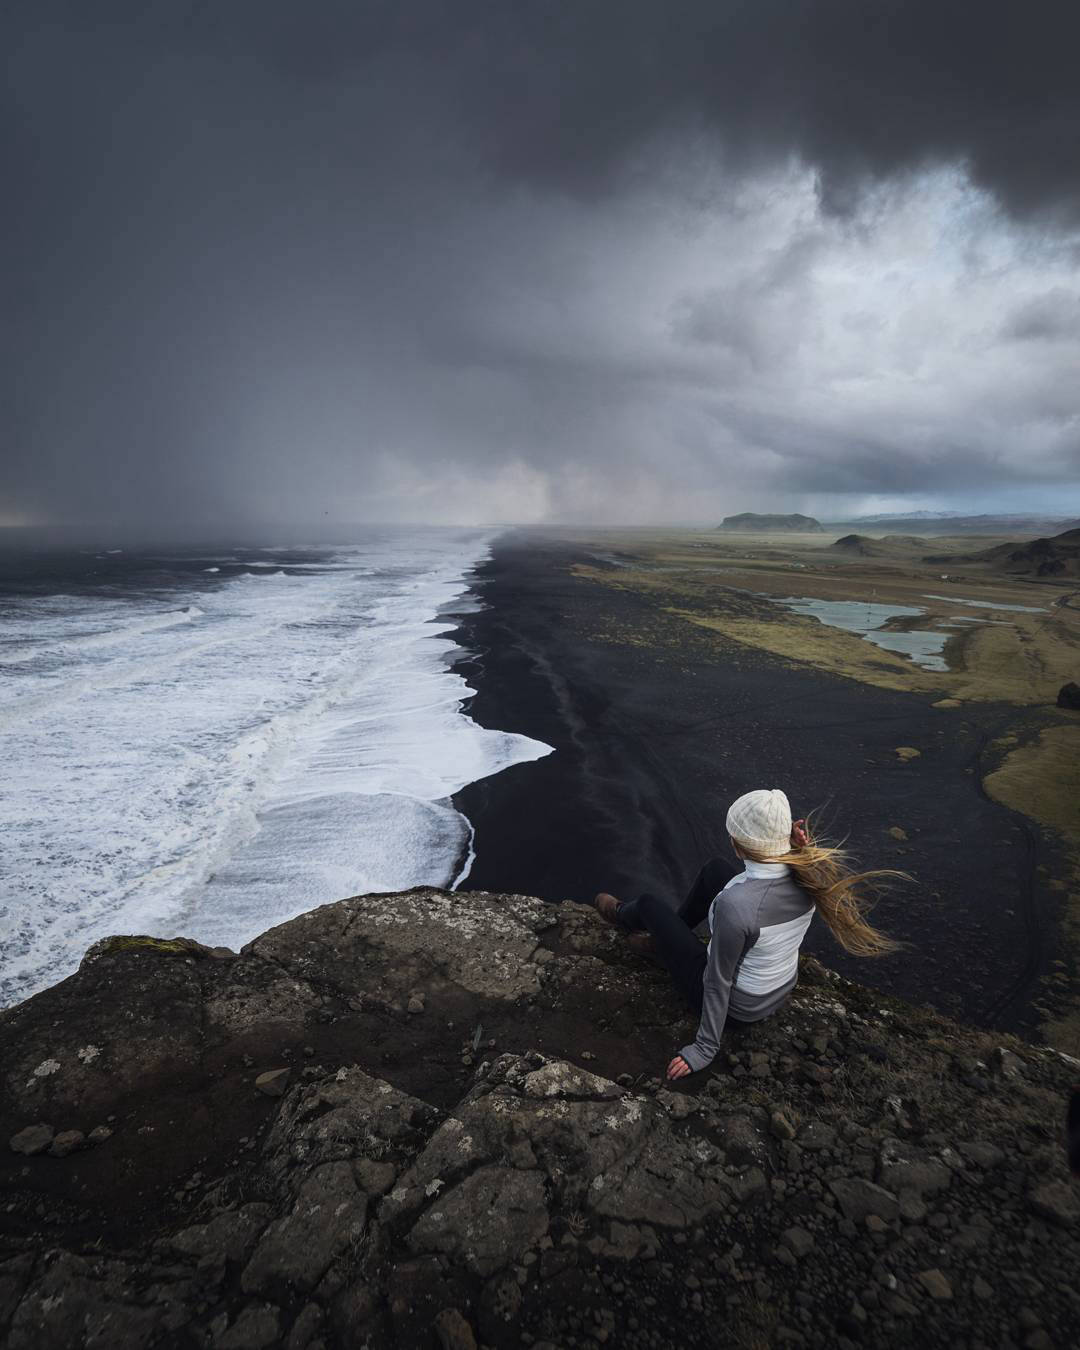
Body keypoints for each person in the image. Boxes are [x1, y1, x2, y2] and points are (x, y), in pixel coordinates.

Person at [592, 788, 903, 1081]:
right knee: (715, 869)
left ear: (739, 845)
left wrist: (704, 1049)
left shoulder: (736, 906)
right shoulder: (810, 874)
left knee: (648, 904)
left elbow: (717, 980)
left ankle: (622, 916)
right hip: (779, 988)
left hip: (738, 1008)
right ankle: (664, 941)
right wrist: (798, 847)